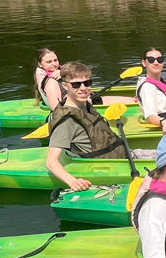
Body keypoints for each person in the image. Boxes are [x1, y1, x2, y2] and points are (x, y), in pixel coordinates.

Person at [44, 61, 132, 192]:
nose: (83, 88)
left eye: (87, 83)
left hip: (124, 156)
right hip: (111, 167)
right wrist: (72, 181)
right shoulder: (66, 120)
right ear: (65, 86)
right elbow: (51, 162)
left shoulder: (85, 105)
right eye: (76, 84)